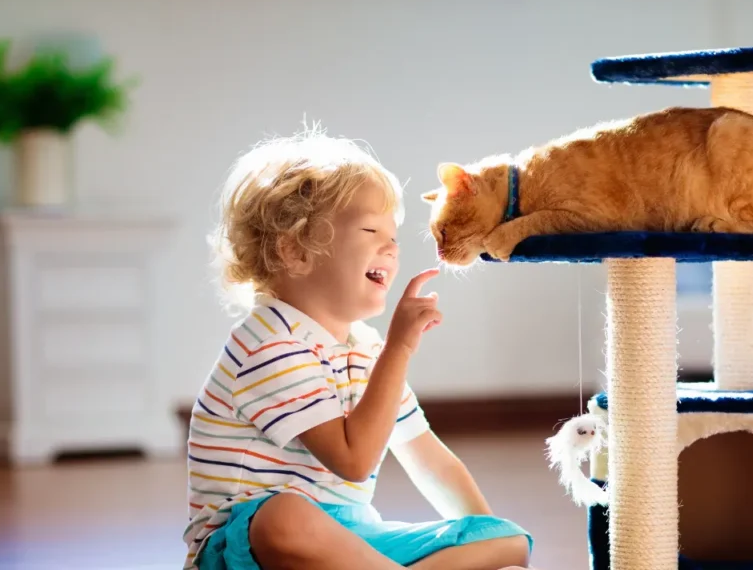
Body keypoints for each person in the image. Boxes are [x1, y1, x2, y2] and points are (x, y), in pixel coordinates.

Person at [183, 129, 535, 570]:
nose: (391, 248)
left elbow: (431, 462)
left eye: (394, 236)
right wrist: (400, 348)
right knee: (284, 517)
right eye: (371, 230)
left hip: (350, 544)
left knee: (509, 541)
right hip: (246, 549)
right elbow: (353, 460)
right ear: (294, 251)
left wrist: (483, 532)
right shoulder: (269, 343)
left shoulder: (363, 348)